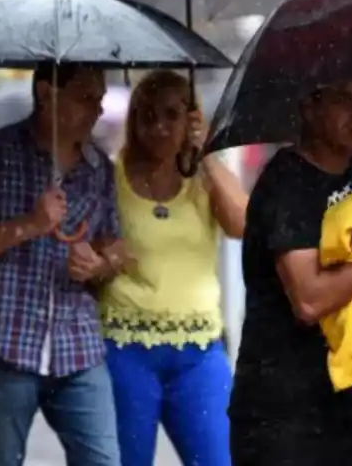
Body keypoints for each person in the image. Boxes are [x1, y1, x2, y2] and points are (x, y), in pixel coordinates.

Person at [229, 72, 352, 466]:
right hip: (282, 414)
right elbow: (310, 300)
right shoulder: (287, 182)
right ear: (309, 107)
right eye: (344, 100)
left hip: (350, 405)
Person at [0, 64, 127, 466]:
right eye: (85, 98)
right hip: (3, 349)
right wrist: (29, 224)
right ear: (46, 95)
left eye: (99, 99)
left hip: (78, 351)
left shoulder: (100, 167)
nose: (96, 109)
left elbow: (115, 246)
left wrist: (98, 265)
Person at [101, 71, 247, 466]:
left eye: (171, 114)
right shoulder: (108, 177)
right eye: (147, 115)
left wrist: (207, 155)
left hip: (199, 353)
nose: (159, 126)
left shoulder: (206, 178)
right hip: (124, 349)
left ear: (191, 120)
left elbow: (243, 225)